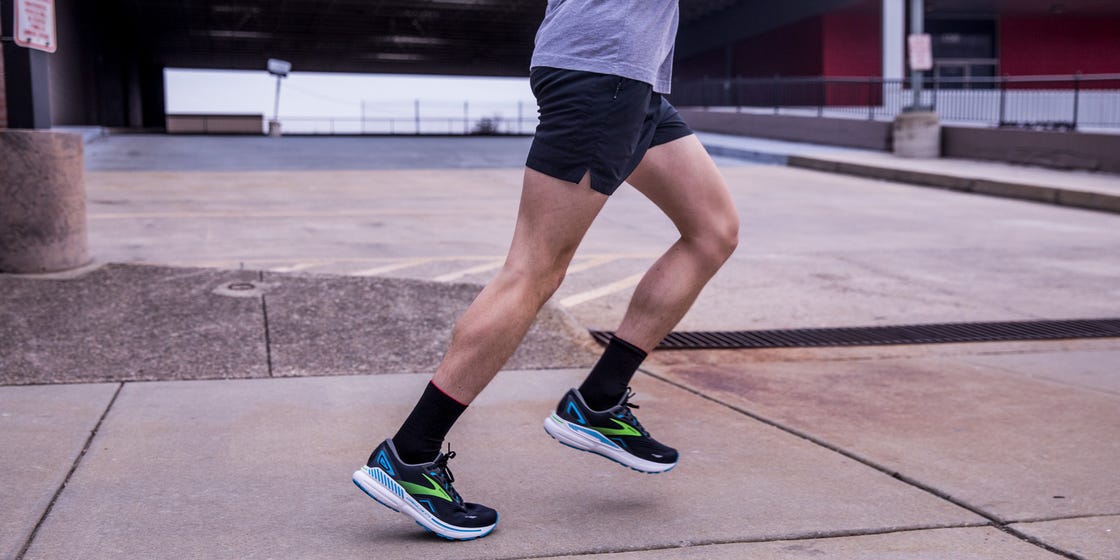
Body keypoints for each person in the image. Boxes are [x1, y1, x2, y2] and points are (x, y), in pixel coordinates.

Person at [352, 0, 739, 541]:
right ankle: (409, 457)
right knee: (533, 270)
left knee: (713, 230)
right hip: (605, 69)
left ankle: (598, 403)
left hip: (633, 76)